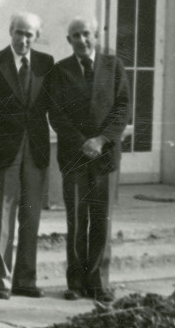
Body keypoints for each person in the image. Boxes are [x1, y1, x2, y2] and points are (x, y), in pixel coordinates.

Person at [49, 17, 130, 303]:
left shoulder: (113, 66)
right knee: (76, 219)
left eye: (86, 34)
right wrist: (82, 141)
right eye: (75, 36)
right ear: (68, 40)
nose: (81, 40)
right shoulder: (60, 70)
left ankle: (97, 281)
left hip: (105, 155)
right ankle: (74, 282)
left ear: (96, 35)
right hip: (74, 155)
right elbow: (56, 113)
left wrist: (101, 139)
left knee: (101, 219)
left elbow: (122, 108)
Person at [0, 12, 55, 300]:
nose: (23, 39)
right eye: (19, 32)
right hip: (4, 148)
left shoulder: (46, 64)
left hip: (36, 149)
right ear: (10, 31)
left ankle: (26, 279)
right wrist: (2, 129)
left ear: (37, 36)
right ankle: (2, 281)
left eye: (29, 34)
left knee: (31, 217)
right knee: (3, 217)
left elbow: (50, 103)